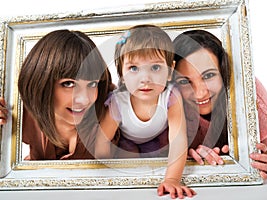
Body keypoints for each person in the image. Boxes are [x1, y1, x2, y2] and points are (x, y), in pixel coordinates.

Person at [94, 24, 196, 198]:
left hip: (160, 142)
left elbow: (178, 140)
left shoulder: (171, 97)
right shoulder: (119, 102)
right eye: (133, 68)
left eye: (155, 68)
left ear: (170, 70)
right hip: (127, 144)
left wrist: (172, 179)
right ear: (121, 74)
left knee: (163, 153)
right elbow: (101, 144)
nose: (145, 79)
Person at [172, 29, 267, 179]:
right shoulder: (167, 100)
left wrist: (262, 161)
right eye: (184, 81)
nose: (200, 93)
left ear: (223, 71)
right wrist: (184, 159)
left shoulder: (248, 92)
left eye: (208, 75)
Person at [0, 29, 116, 160]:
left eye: (92, 84)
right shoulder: (20, 112)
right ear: (42, 83)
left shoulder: (111, 107)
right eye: (68, 84)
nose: (84, 99)